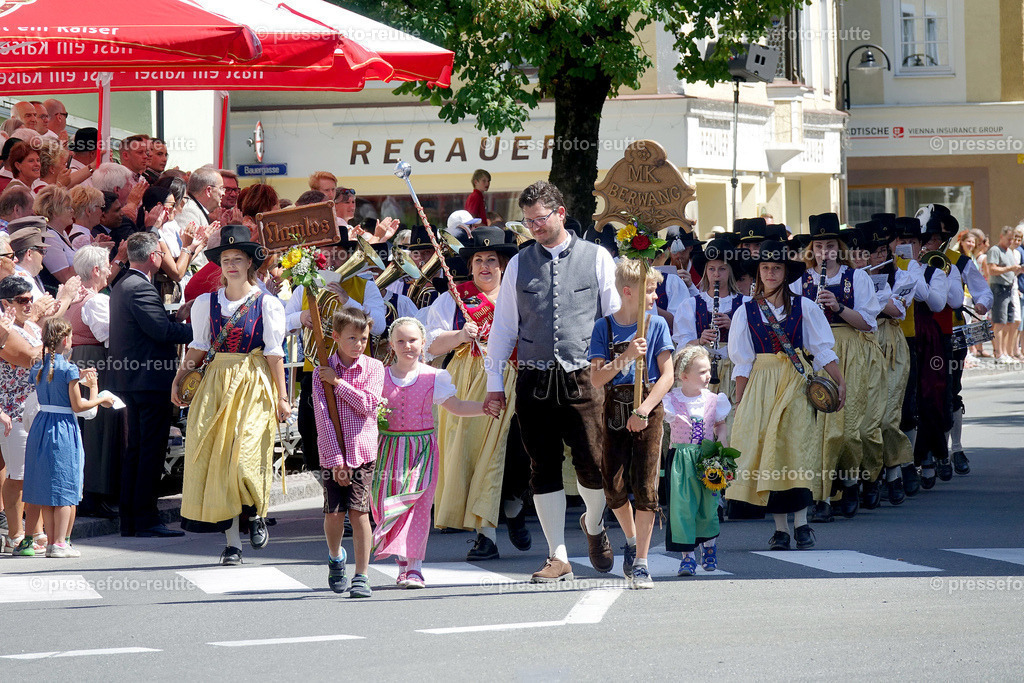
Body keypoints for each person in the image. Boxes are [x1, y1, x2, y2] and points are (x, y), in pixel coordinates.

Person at [484, 181, 620, 583]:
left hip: (585, 376)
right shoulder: (519, 264)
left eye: (539, 219)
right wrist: (495, 382)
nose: (534, 227)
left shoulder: (597, 257)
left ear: (560, 212)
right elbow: (504, 328)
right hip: (534, 378)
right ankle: (557, 555)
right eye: (528, 222)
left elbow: (613, 318)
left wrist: (621, 367)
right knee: (541, 467)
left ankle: (594, 526)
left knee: (593, 464)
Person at [172, 225, 288, 565]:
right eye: (226, 259)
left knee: (246, 455)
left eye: (238, 259)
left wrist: (282, 397)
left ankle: (255, 512)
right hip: (215, 384)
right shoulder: (205, 303)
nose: (232, 265)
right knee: (219, 461)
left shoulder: (267, 303)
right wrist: (179, 379)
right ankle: (232, 543)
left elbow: (274, 353)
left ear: (250, 262)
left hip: (253, 381)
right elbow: (197, 348)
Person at [725, 240, 844, 551]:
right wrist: (741, 402)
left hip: (795, 382)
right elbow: (743, 362)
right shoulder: (745, 312)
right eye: (765, 268)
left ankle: (802, 523)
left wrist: (840, 384)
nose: (770, 273)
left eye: (776, 268)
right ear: (758, 273)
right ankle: (780, 529)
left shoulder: (805, 307)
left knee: (795, 449)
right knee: (769, 453)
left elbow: (821, 350)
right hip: (761, 386)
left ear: (785, 273)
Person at [425, 226, 528, 561]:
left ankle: (512, 506)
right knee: (475, 458)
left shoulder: (520, 296)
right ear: (469, 266)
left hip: (513, 382)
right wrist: (459, 335)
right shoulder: (453, 299)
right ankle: (486, 535)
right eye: (479, 260)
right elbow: (429, 346)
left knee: (511, 456)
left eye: (493, 260)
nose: (485, 266)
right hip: (466, 382)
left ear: (504, 265)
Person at [372, 317, 485, 589]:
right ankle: (402, 562)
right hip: (388, 449)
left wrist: (486, 407)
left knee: (418, 506)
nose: (407, 346)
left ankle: (415, 568)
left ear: (423, 344)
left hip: (422, 449)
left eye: (412, 340)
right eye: (401, 341)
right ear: (391, 345)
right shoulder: (380, 376)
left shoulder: (434, 376)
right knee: (388, 505)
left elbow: (455, 406)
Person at [588, 258, 674, 589]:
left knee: (646, 487)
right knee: (614, 485)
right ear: (628, 292)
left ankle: (641, 561)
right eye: (649, 292)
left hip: (648, 410)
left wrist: (645, 410)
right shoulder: (604, 328)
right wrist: (625, 357)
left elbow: (667, 375)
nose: (655, 298)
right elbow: (596, 379)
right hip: (614, 409)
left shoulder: (657, 326)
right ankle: (630, 538)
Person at [795, 213, 881, 521]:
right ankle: (822, 497)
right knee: (817, 431)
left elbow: (868, 324)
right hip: (811, 353)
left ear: (838, 247)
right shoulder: (800, 280)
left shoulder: (855, 277)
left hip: (846, 349)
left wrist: (838, 307)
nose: (823, 253)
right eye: (818, 247)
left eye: (830, 246)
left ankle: (849, 481)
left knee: (845, 429)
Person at [109, 232, 192, 538]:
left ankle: (133, 518)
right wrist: (201, 333)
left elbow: (153, 326)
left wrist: (178, 318)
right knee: (149, 451)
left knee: (138, 449)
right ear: (153, 257)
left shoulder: (123, 283)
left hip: (135, 379)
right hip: (148, 380)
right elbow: (160, 331)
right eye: (160, 252)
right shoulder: (139, 287)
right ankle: (144, 517)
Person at [23, 317, 115, 557]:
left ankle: (53, 542)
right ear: (66, 339)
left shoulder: (39, 366)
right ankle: (60, 543)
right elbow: (78, 405)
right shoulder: (69, 369)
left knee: (47, 485)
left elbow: (54, 385)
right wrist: (101, 397)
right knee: (66, 484)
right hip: (62, 427)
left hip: (42, 425)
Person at [312, 308, 385, 598]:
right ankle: (335, 555)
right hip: (334, 456)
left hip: (363, 452)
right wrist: (336, 460)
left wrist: (339, 384)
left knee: (359, 513)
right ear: (336, 337)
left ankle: (362, 575)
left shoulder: (374, 368)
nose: (358, 344)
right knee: (334, 513)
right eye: (352, 338)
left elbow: (369, 405)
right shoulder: (322, 371)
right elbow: (322, 418)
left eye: (364, 338)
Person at [663, 346, 731, 576]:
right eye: (702, 372)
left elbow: (719, 426)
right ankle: (687, 557)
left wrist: (721, 444)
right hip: (681, 459)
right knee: (683, 507)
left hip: (707, 458)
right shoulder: (670, 400)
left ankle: (709, 547)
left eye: (708, 370)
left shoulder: (714, 400)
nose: (708, 376)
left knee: (709, 505)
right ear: (683, 376)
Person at [68, 246, 123, 519]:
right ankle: (94, 493)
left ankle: (84, 492)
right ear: (95, 271)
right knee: (98, 429)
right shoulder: (95, 301)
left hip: (77, 361)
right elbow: (111, 337)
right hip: (94, 362)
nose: (111, 270)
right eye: (106, 266)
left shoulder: (71, 299)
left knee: (83, 428)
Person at [0, 275, 48, 555]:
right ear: (6, 304)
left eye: (31, 299)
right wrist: (49, 345)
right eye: (22, 301)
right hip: (13, 408)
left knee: (36, 472)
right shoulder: (3, 330)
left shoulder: (30, 327)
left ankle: (36, 530)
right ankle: (16, 533)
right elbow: (29, 358)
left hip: (35, 405)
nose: (29, 305)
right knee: (17, 474)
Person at [679, 238, 746, 400]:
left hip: (735, 372)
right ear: (705, 272)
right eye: (711, 269)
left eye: (722, 269)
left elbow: (754, 343)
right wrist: (700, 340)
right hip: (701, 371)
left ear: (730, 271)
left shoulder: (745, 303)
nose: (716, 274)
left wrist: (734, 327)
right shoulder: (691, 304)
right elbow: (681, 345)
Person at [986, 225, 1023, 361]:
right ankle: (999, 353)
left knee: (1009, 321)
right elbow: (992, 270)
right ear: (1001, 236)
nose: (1010, 242)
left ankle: (1006, 353)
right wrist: (1010, 268)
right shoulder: (995, 250)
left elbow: (1009, 270)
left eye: (1012, 239)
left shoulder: (1009, 252)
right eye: (1008, 239)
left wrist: (1017, 270)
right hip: (999, 288)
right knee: (999, 321)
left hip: (1009, 288)